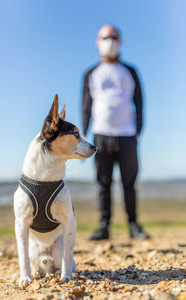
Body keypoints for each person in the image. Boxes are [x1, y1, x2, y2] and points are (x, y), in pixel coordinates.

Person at [82, 24, 149, 240]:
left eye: (113, 37)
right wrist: (84, 132)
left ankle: (133, 225)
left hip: (127, 134)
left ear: (120, 41)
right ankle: (104, 226)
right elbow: (86, 104)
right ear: (97, 41)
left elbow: (139, 101)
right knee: (103, 183)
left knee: (129, 183)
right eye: (105, 37)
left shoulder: (130, 71)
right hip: (100, 134)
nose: (109, 41)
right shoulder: (91, 73)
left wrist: (138, 129)